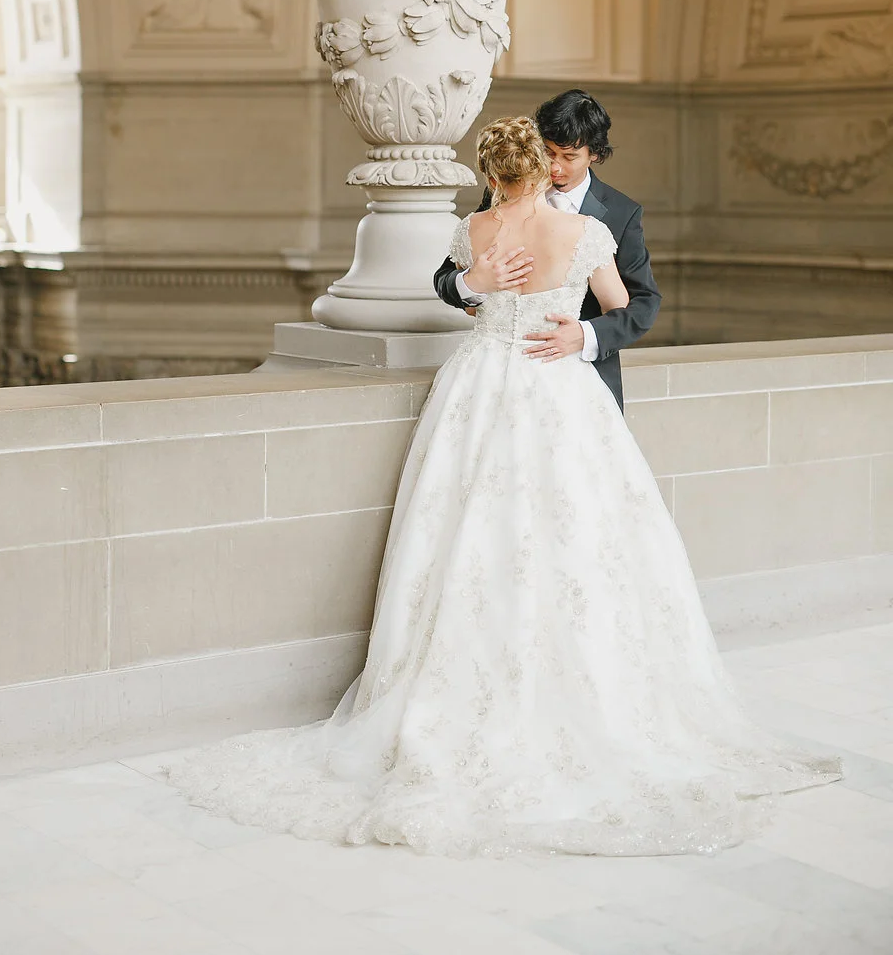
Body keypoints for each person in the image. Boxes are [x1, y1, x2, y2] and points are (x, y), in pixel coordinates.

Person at [169, 116, 839, 857]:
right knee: (574, 536)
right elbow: (619, 303)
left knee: (465, 532)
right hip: (557, 390)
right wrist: (569, 330)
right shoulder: (581, 233)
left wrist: (487, 288)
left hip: (480, 388)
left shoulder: (474, 230)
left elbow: (478, 296)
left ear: (490, 174)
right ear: (540, 169)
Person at [433, 88, 659, 411]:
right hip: (494, 383)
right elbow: (446, 277)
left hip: (580, 379)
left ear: (594, 154)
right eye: (549, 153)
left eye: (569, 157)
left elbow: (644, 303)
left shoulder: (622, 214)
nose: (555, 167)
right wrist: (472, 283)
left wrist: (586, 335)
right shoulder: (504, 191)